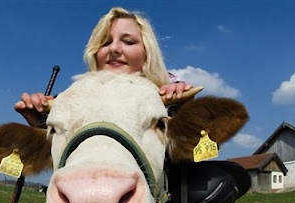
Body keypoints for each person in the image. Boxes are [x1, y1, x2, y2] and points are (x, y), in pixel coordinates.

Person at [15, 7, 192, 127]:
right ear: (95, 53)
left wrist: (183, 109)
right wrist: (41, 122)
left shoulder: (168, 92)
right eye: (105, 42)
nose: (114, 48)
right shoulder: (72, 99)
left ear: (147, 53)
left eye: (128, 42)